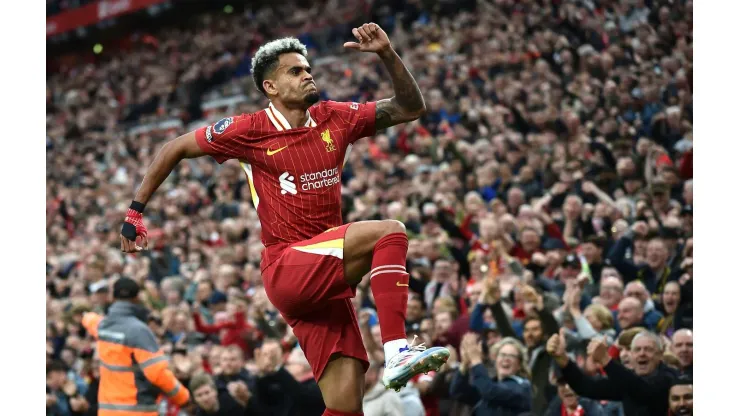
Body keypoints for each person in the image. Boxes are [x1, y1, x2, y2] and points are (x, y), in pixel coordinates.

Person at [118, 23, 449, 416]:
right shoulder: (248, 130)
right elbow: (174, 147)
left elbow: (410, 107)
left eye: (307, 68)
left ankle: (394, 355)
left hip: (324, 276)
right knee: (389, 234)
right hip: (287, 267)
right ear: (270, 87)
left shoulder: (336, 118)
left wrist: (387, 54)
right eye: (295, 71)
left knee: (345, 407)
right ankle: (397, 350)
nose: (308, 74)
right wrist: (134, 212)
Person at [81, 278, 190, 415]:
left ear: (112, 297)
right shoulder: (139, 331)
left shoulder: (103, 326)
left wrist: (85, 316)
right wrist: (184, 398)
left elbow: (89, 320)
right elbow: (157, 374)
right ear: (137, 298)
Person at [547, 329, 678, 416]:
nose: (642, 354)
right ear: (631, 356)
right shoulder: (627, 380)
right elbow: (585, 387)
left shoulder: (670, 377)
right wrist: (562, 359)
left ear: (660, 355)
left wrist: (605, 359)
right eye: (637, 350)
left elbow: (643, 392)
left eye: (648, 349)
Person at [450, 334, 532, 415]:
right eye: (502, 354)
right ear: (495, 360)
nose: (506, 359)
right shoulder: (490, 384)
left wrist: (476, 360)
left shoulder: (522, 387)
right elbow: (458, 392)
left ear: (519, 365)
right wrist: (465, 363)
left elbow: (490, 391)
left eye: (512, 356)